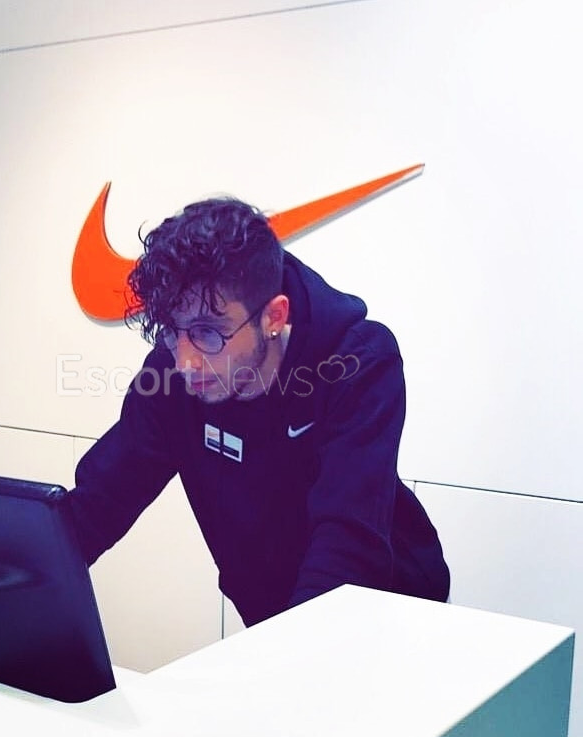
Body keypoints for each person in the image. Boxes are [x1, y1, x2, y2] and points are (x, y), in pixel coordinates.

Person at [69, 197, 450, 627]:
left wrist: (285, 657)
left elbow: (347, 545)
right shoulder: (171, 374)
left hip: (395, 614)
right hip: (274, 622)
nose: (186, 362)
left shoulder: (357, 361)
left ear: (273, 316)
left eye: (208, 332)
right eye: (171, 331)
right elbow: (98, 505)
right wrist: (18, 577)